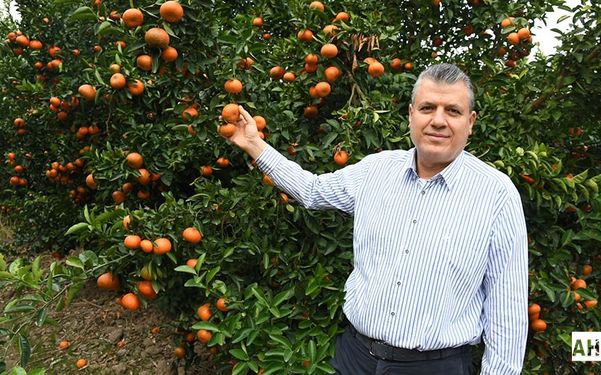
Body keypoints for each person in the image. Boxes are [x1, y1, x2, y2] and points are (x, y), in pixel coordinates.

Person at [222, 63, 528, 375]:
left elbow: (508, 312)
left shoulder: (496, 195)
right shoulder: (375, 171)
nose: (438, 120)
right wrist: (254, 144)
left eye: (452, 110)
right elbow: (312, 190)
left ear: (470, 121)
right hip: (355, 359)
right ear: (411, 115)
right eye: (427, 108)